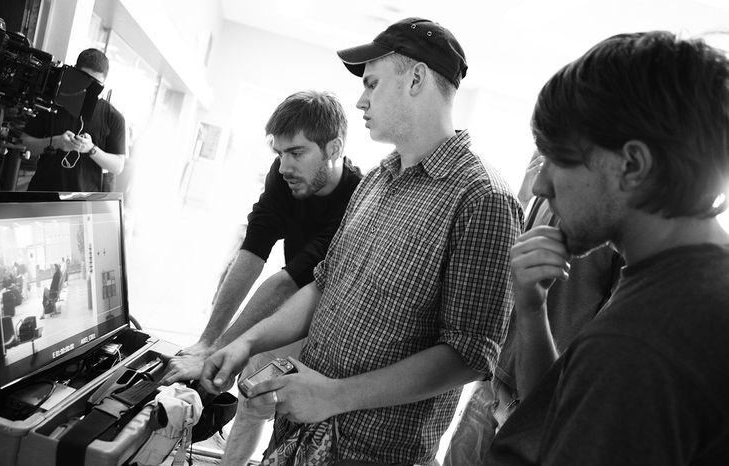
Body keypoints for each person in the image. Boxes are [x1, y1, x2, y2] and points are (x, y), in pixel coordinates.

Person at [200, 18, 523, 465]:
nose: (360, 100)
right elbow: (322, 285)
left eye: (371, 83)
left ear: (416, 78)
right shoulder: (375, 182)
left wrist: (335, 396)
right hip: (298, 434)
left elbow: (469, 355)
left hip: (369, 452)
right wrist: (246, 343)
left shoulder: (483, 198)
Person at [486, 31, 729, 465]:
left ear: (632, 165)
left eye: (558, 159)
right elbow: (559, 414)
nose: (540, 186)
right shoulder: (681, 283)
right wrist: (531, 309)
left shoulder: (644, 342)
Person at [159, 90, 362, 465]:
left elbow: (289, 280)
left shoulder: (357, 198)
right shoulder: (284, 176)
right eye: (279, 153)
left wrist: (223, 347)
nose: (284, 166)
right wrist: (207, 343)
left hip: (333, 326)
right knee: (252, 392)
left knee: (288, 412)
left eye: (297, 153)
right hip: (292, 309)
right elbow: (253, 252)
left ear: (333, 148)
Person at [443, 153, 622, 466]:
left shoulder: (614, 229)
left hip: (546, 396)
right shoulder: (542, 195)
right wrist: (522, 200)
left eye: (562, 154)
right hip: (494, 380)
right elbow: (512, 268)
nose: (543, 181)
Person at [22, 48, 126, 192]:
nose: (89, 89)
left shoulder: (113, 117)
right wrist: (55, 142)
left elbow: (118, 166)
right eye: (84, 81)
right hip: (42, 192)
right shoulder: (54, 101)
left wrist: (91, 149)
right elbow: (25, 141)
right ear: (75, 71)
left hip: (82, 203)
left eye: (96, 85)